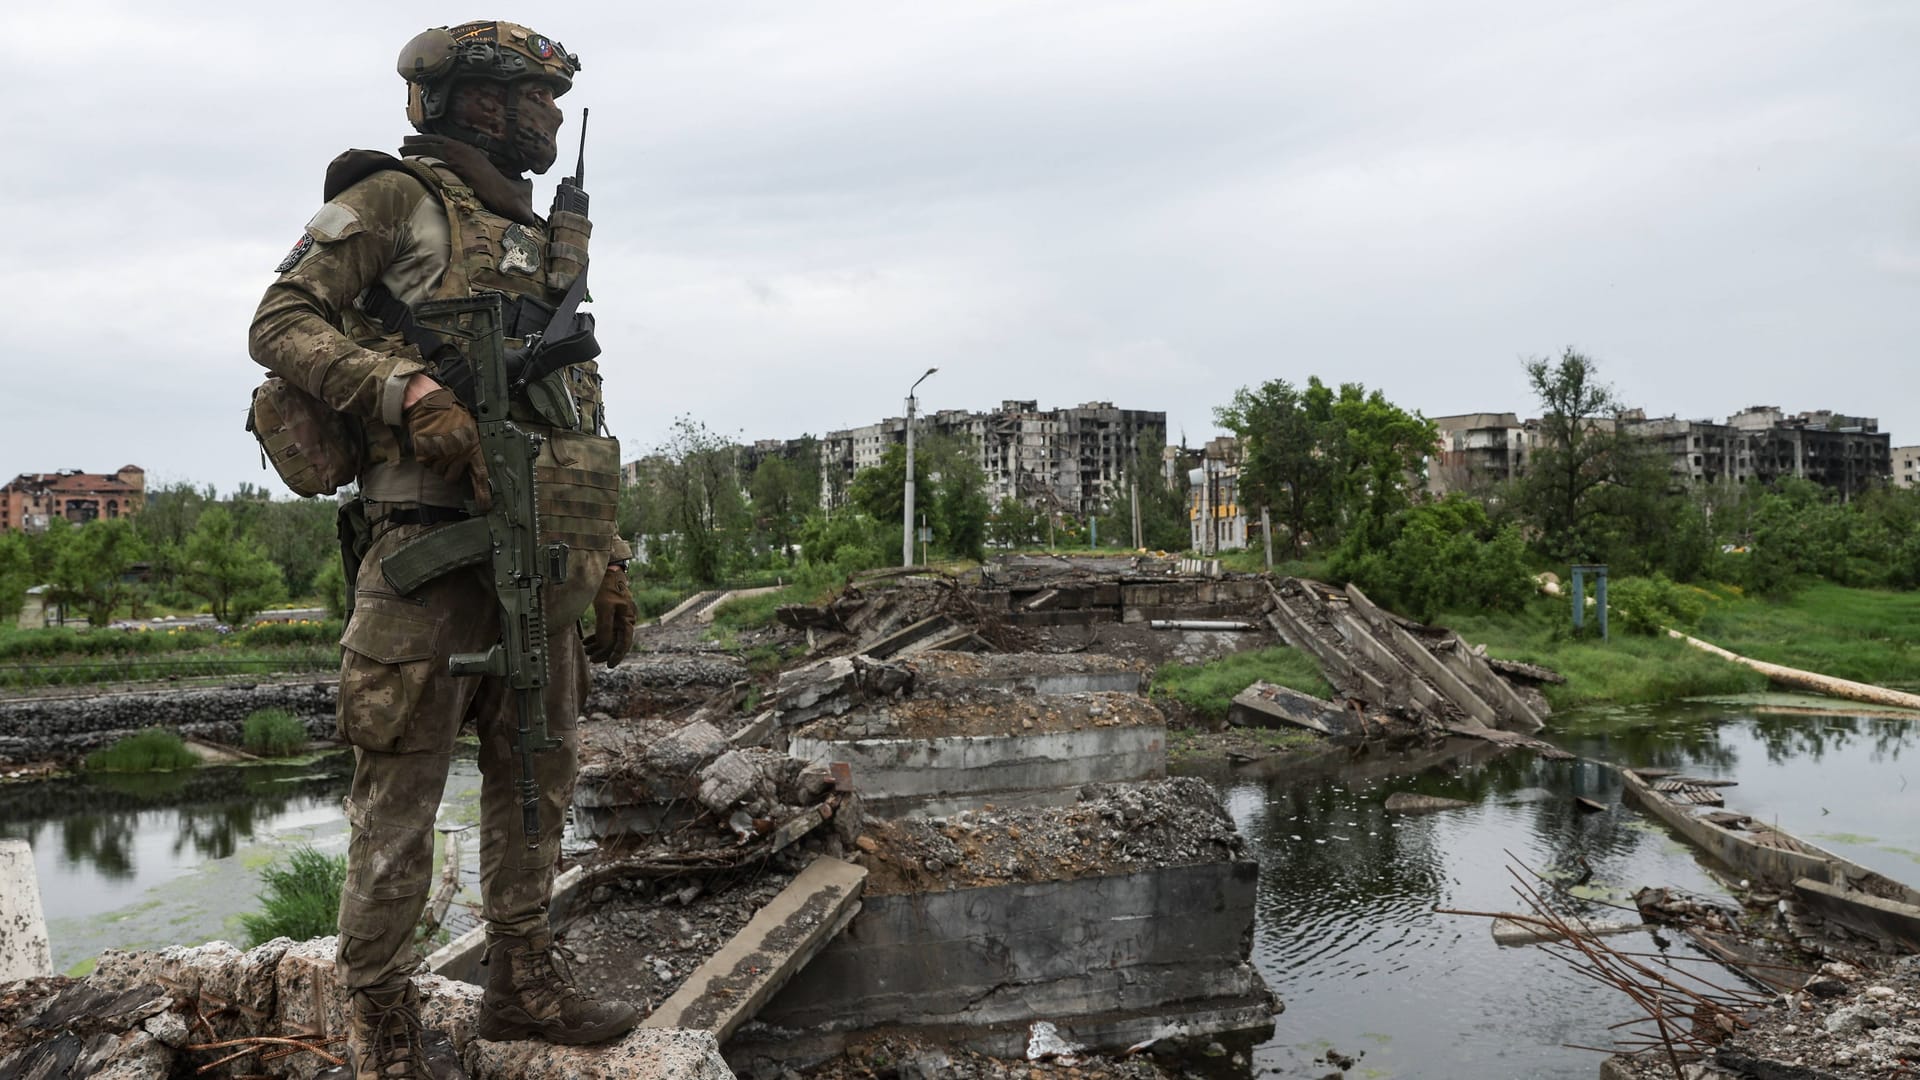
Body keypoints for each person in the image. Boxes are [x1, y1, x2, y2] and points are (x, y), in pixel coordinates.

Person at [248, 20, 638, 1078]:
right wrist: (402, 387)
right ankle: (379, 1014)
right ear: (476, 100)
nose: (551, 118)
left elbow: (576, 407)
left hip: (542, 556)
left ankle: (524, 982)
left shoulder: (542, 237)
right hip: (423, 556)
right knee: (399, 805)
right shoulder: (391, 200)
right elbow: (279, 319)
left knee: (536, 781)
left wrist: (612, 553)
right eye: (535, 99)